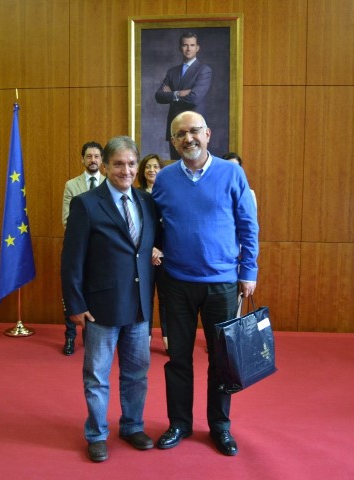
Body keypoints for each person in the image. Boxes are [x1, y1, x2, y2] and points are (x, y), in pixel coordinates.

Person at [152, 111, 259, 457]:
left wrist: (249, 271)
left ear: (208, 133)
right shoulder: (165, 179)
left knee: (221, 360)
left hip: (223, 284)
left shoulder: (232, 173)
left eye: (194, 131)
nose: (188, 138)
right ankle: (179, 422)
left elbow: (248, 225)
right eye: (180, 134)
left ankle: (219, 425)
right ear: (172, 141)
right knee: (178, 358)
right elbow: (155, 225)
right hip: (176, 283)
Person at [61, 136, 158, 462]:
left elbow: (144, 249)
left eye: (131, 163)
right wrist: (74, 304)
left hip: (140, 306)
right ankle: (97, 433)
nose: (126, 170)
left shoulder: (146, 201)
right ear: (104, 166)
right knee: (97, 376)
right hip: (101, 307)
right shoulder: (87, 204)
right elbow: (71, 259)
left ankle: (132, 426)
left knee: (137, 373)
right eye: (118, 164)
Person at [61, 141, 105, 356]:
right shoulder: (72, 185)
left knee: (95, 294)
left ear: (102, 160)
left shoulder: (109, 183)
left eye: (97, 156)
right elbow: (67, 220)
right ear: (82, 159)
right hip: (77, 250)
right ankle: (70, 337)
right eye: (89, 156)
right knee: (72, 292)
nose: (93, 160)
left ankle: (91, 337)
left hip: (101, 253)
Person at [155, 32, 212, 160]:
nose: (188, 48)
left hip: (194, 127)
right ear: (180, 48)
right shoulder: (172, 71)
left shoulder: (204, 70)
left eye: (192, 45)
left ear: (197, 48)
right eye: (185, 45)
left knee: (194, 165)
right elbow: (159, 96)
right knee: (175, 165)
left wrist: (171, 94)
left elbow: (194, 98)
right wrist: (179, 93)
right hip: (175, 126)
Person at [136, 154, 168, 353]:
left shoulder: (169, 194)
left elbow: (175, 226)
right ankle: (143, 338)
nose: (151, 170)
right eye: (148, 166)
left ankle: (168, 339)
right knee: (144, 298)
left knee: (166, 299)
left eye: (156, 166)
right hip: (143, 255)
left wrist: (161, 250)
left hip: (166, 255)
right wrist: (150, 249)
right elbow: (134, 228)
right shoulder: (136, 195)